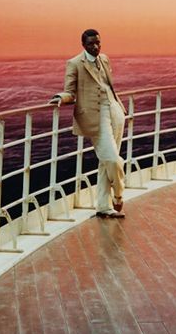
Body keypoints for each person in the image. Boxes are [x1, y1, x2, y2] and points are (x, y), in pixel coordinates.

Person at [50, 29, 126, 218]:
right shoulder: (75, 63)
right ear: (83, 45)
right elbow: (70, 91)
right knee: (112, 159)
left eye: (98, 42)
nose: (95, 46)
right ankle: (118, 194)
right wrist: (61, 97)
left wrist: (118, 106)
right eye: (91, 43)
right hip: (95, 116)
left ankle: (103, 206)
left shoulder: (105, 59)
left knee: (106, 162)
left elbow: (108, 86)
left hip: (115, 110)